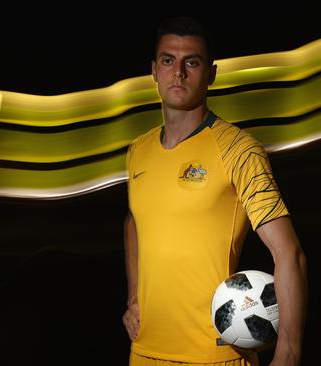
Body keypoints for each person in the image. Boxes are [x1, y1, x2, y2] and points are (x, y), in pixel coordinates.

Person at [122, 16, 307, 366]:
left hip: (214, 356)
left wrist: (289, 351)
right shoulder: (138, 151)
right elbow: (135, 220)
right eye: (168, 61)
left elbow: (289, 253)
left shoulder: (238, 149)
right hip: (144, 352)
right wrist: (134, 298)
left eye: (191, 62)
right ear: (154, 71)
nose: (178, 72)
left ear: (211, 74)